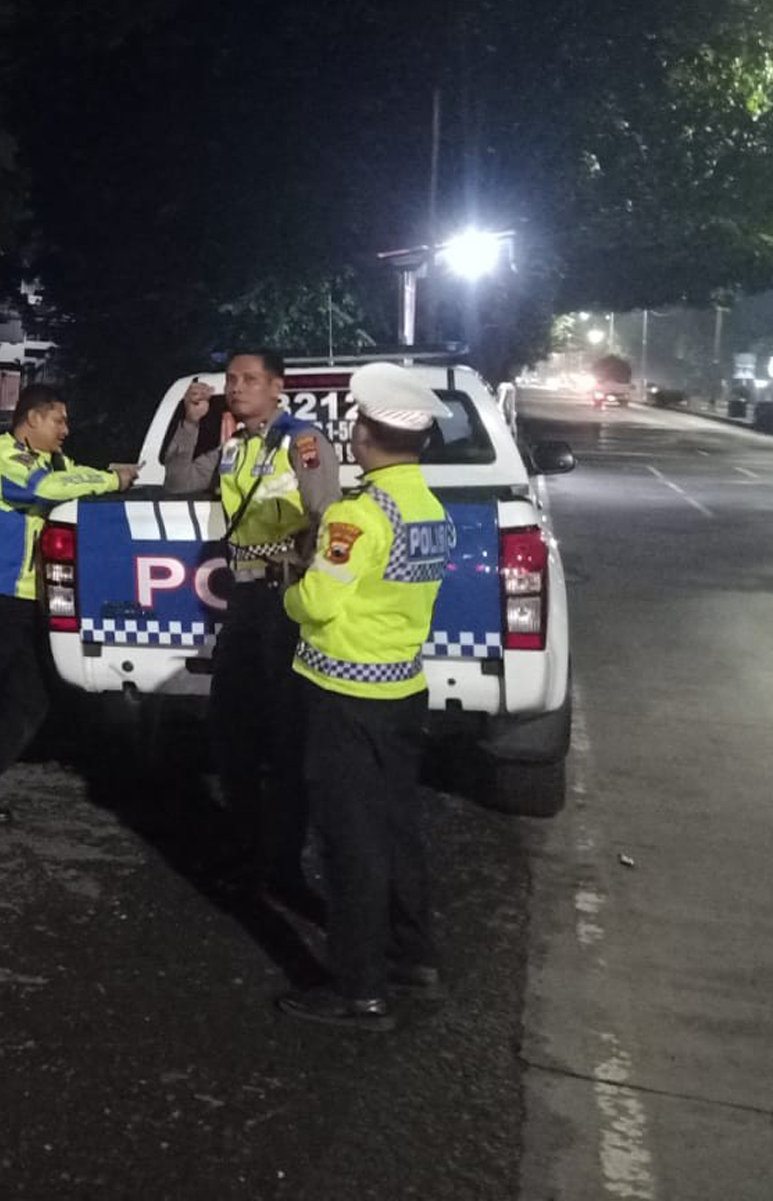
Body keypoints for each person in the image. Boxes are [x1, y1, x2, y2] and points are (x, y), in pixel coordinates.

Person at [276, 363, 456, 1032]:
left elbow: (320, 602)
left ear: (363, 435)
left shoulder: (359, 513)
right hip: (403, 689)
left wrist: (290, 592)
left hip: (345, 693)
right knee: (397, 826)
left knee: (350, 841)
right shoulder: (428, 509)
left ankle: (360, 989)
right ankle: (414, 956)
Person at [0, 385, 135, 833]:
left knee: (27, 698)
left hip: (21, 598)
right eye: (59, 420)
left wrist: (116, 475)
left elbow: (72, 474)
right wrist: (111, 480)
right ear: (33, 419)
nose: (66, 429)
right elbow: (48, 489)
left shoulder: (48, 460)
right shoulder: (7, 457)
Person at [194, 351, 340, 905]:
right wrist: (190, 425)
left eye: (250, 380)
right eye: (231, 379)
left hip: (283, 598)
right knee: (231, 726)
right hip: (244, 598)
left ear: (278, 387)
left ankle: (282, 863)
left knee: (284, 736)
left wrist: (303, 580)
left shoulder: (303, 442)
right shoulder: (235, 446)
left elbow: (325, 517)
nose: (236, 388)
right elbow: (182, 478)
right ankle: (248, 848)